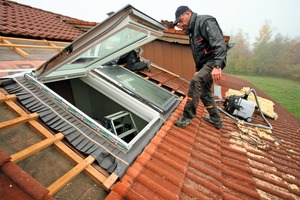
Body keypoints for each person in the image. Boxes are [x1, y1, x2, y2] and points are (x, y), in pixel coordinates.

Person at [173, 6, 227, 130]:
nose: (180, 24)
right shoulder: (192, 32)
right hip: (205, 64)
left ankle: (187, 116)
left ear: (187, 13)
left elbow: (220, 43)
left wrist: (217, 65)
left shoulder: (204, 22)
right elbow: (198, 54)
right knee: (203, 91)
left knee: (195, 81)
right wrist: (198, 69)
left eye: (180, 20)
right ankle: (216, 120)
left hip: (214, 60)